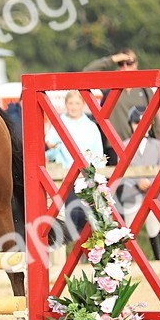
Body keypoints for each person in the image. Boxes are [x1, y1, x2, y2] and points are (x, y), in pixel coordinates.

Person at [45, 90, 104, 237]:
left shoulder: (91, 127)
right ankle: (69, 248)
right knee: (68, 218)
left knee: (87, 219)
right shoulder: (58, 124)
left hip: (86, 179)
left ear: (83, 105)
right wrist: (51, 147)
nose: (74, 106)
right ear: (65, 105)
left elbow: (98, 154)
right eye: (70, 103)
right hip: (65, 179)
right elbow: (49, 153)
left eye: (77, 103)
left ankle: (85, 249)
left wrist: (97, 177)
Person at [116, 106, 160, 260]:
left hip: (153, 194)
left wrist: (150, 182)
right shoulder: (123, 145)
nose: (140, 126)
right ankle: (126, 263)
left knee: (155, 228)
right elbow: (121, 171)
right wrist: (137, 182)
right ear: (130, 124)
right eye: (136, 122)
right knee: (129, 231)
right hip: (132, 194)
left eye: (144, 123)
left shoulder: (158, 145)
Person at [83, 47, 160, 143]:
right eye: (121, 63)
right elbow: (85, 73)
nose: (125, 66)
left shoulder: (145, 89)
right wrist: (112, 59)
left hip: (140, 144)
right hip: (114, 144)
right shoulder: (110, 84)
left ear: (136, 64)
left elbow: (155, 119)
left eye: (129, 63)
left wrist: (159, 143)